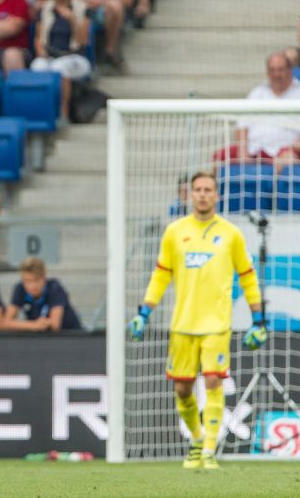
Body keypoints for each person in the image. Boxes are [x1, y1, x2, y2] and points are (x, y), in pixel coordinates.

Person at [128, 171, 267, 470]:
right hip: (183, 325)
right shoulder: (175, 232)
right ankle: (195, 438)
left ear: (216, 195)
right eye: (198, 190)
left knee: (215, 380)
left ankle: (209, 449)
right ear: (190, 195)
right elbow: (160, 276)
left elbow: (248, 278)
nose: (203, 194)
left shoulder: (231, 234)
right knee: (183, 389)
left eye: (208, 189)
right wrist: (144, 313)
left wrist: (259, 320)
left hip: (217, 324)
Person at [215, 52, 300, 169]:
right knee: (219, 157)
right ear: (267, 72)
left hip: (287, 150)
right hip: (254, 148)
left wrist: (293, 149)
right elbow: (242, 126)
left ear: (290, 70)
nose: (276, 74)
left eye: (280, 69)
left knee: (289, 162)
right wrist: (243, 151)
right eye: (272, 70)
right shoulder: (256, 93)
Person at [31, 0, 91, 119]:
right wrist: (41, 53)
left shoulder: (82, 8)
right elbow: (38, 38)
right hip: (50, 55)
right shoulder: (45, 9)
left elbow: (83, 41)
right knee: (37, 66)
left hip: (76, 57)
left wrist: (72, 21)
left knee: (60, 67)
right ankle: (43, 113)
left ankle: (63, 113)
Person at [71, 0, 135, 68]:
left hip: (106, 6)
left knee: (115, 7)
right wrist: (85, 1)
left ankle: (110, 50)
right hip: (81, 4)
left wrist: (102, 1)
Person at [4, 256, 82, 331]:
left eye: (36, 280)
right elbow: (7, 322)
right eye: (27, 281)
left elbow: (55, 325)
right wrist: (34, 325)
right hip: (41, 338)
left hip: (71, 336)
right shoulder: (20, 288)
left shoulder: (55, 288)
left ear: (44, 277)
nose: (32, 286)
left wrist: (37, 325)